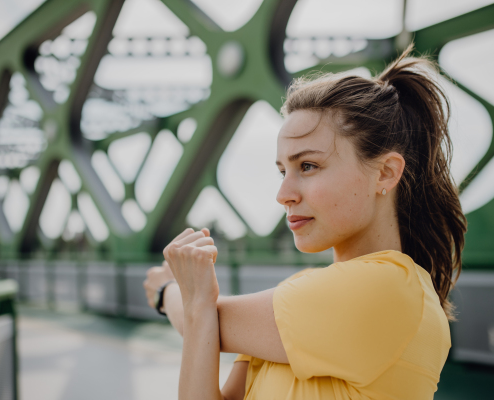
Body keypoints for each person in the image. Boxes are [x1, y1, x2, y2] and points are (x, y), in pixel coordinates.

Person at [144, 44, 466, 400]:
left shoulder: (390, 287)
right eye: (283, 171)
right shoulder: (300, 295)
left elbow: (207, 321)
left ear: (385, 173)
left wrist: (171, 293)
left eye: (308, 166)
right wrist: (189, 300)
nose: (283, 193)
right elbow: (203, 325)